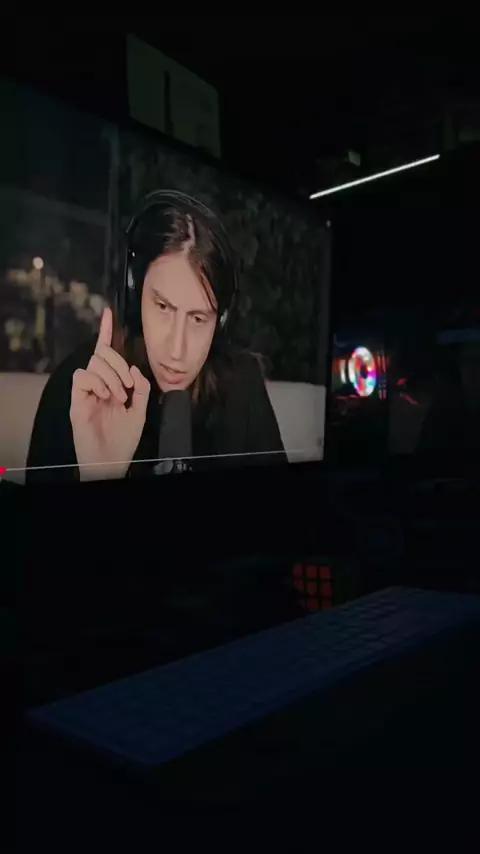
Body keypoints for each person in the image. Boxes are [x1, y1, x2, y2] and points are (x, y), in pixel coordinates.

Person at [26, 191, 286, 483]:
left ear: (221, 321)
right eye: (163, 307)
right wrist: (99, 475)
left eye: (198, 319)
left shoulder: (242, 387)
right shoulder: (77, 386)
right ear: (135, 295)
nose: (176, 351)